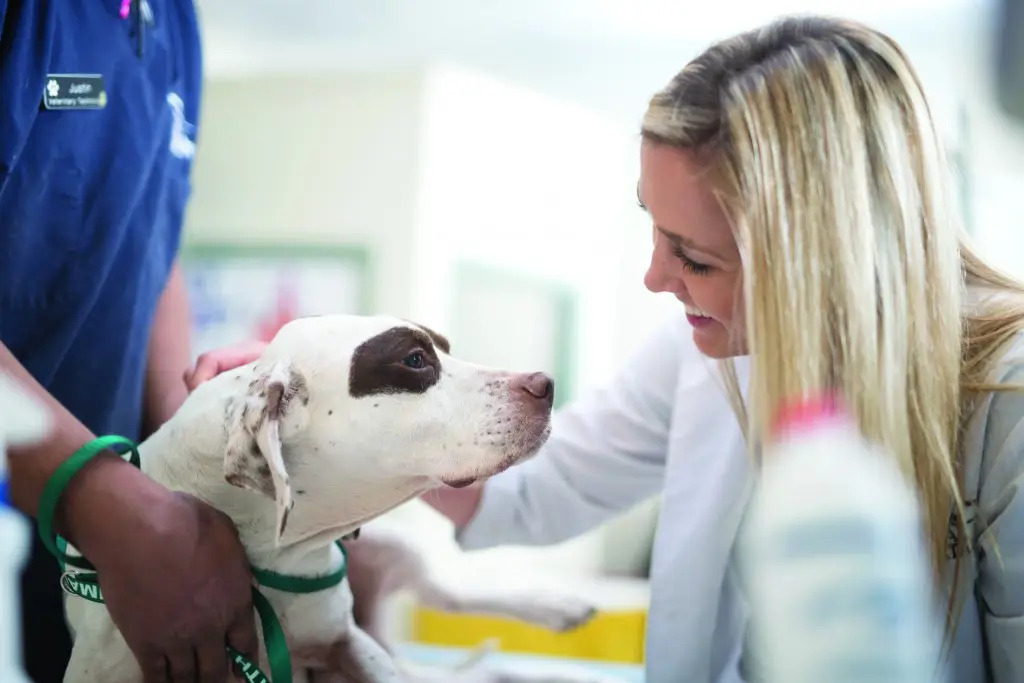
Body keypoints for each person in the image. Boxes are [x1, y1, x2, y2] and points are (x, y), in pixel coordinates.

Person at [188, 15, 1024, 683]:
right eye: (654, 233)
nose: (657, 278)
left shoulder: (1006, 399)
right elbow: (525, 491)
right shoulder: (702, 348)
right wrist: (334, 387)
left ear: (824, 254)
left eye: (694, 257)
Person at [1, 2, 258, 682]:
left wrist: (189, 474)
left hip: (82, 556)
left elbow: (150, 242)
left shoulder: (171, 19)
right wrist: (95, 492)